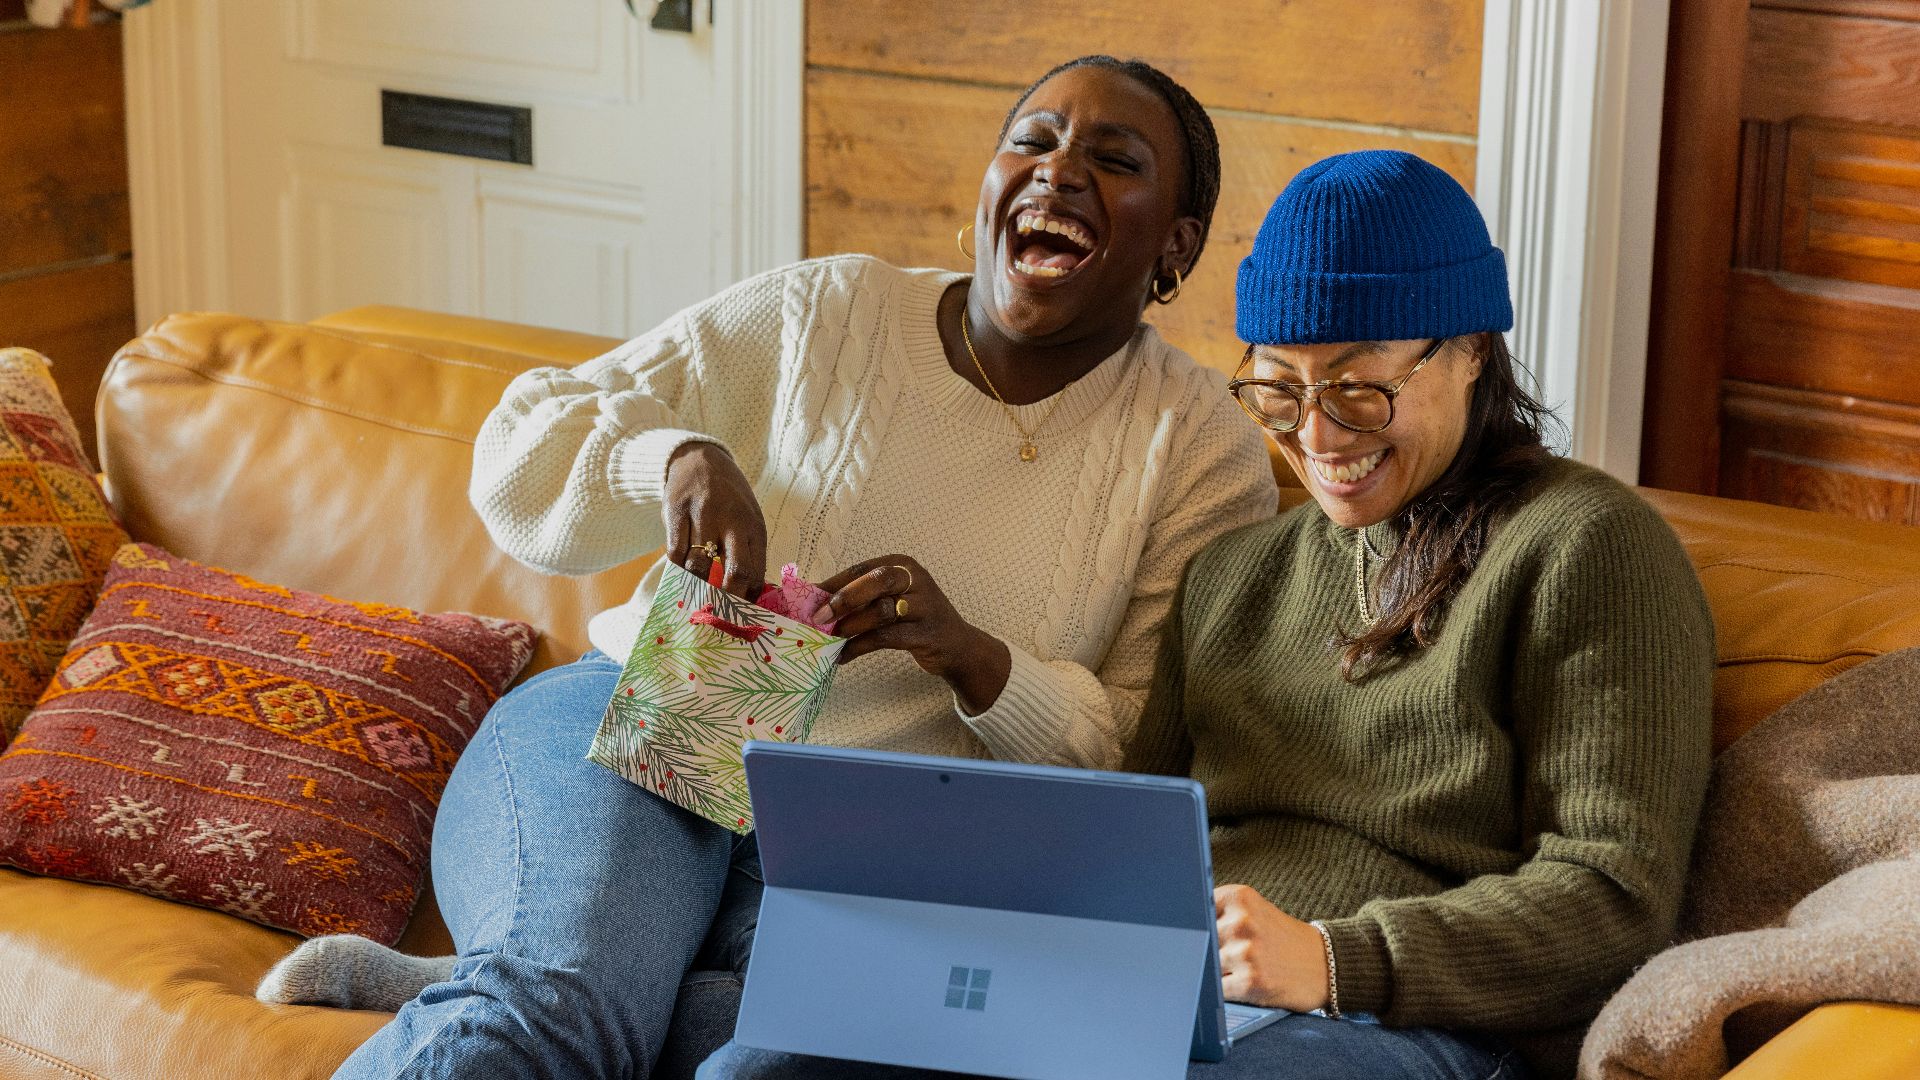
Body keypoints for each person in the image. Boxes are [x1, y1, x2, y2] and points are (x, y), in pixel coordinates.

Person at [255, 55, 1279, 1080]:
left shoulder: (1199, 447)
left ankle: (499, 973)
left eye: (1113, 159)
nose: (1057, 172)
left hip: (878, 851)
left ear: (1176, 246)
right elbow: (519, 450)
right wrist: (671, 459)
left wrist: (979, 664)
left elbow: (1142, 761)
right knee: (559, 1017)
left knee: (759, 1051)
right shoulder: (830, 315)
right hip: (663, 715)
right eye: (1033, 140)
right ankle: (537, 980)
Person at [700, 152, 1716, 1080]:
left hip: (1397, 1023)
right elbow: (1127, 843)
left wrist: (1333, 958)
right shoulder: (1232, 575)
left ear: (1469, 354)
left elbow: (1614, 895)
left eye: (1358, 390)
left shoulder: (1587, 546)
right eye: (1278, 390)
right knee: (760, 1067)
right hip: (1167, 991)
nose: (1315, 436)